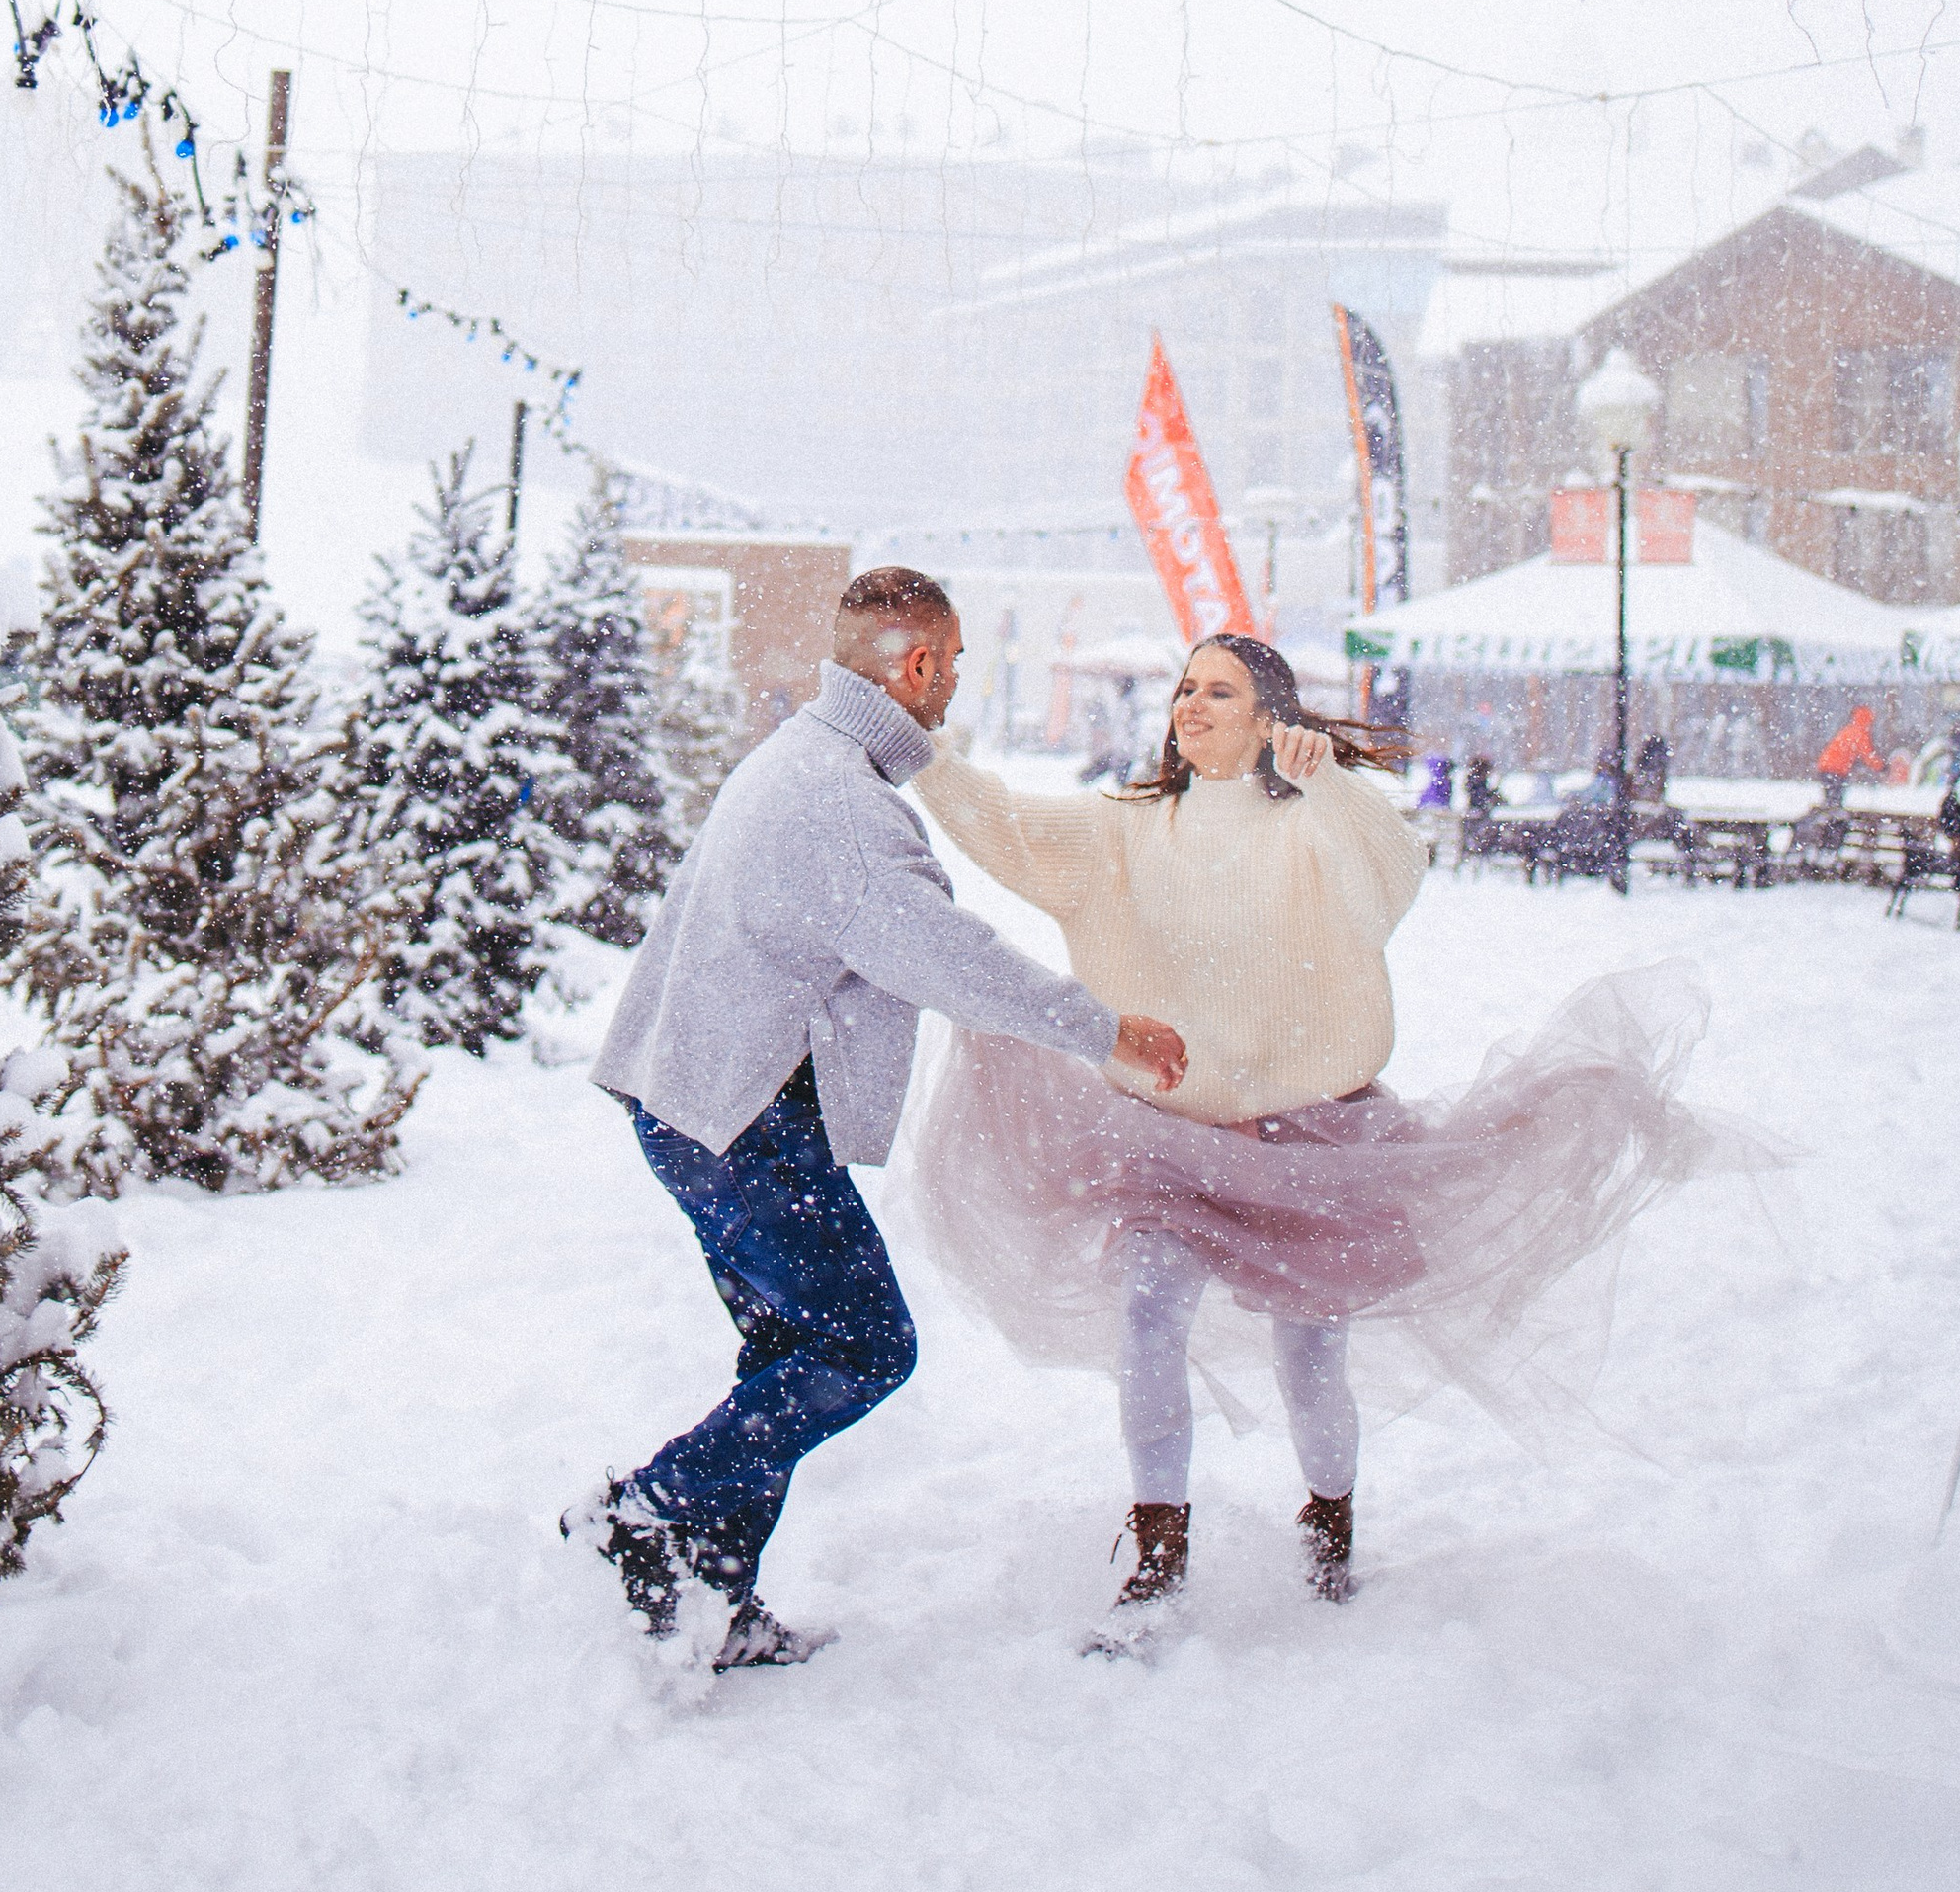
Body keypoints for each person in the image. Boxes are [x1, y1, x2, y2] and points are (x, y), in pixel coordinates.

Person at [904, 630, 1730, 1642]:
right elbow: (1007, 824)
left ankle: (1328, 1524)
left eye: (1220, 690)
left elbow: (1387, 878)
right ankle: (1159, 1553)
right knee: (1150, 1319)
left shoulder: (1315, 824)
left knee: (1309, 1355)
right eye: (1185, 688)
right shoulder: (1126, 826)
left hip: (1316, 1142)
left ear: (1269, 716)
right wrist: (922, 751)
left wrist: (1329, 788)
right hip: (1174, 1140)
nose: (1191, 705)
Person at [570, 565, 1188, 1671]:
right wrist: (1106, 1034)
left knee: (787, 1347)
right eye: (949, 665)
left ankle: (706, 1594)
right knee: (861, 1344)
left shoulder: (804, 759)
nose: (954, 684)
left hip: (700, 1099)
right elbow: (950, 957)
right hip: (741, 1117)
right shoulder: (844, 806)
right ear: (913, 666)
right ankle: (646, 1512)